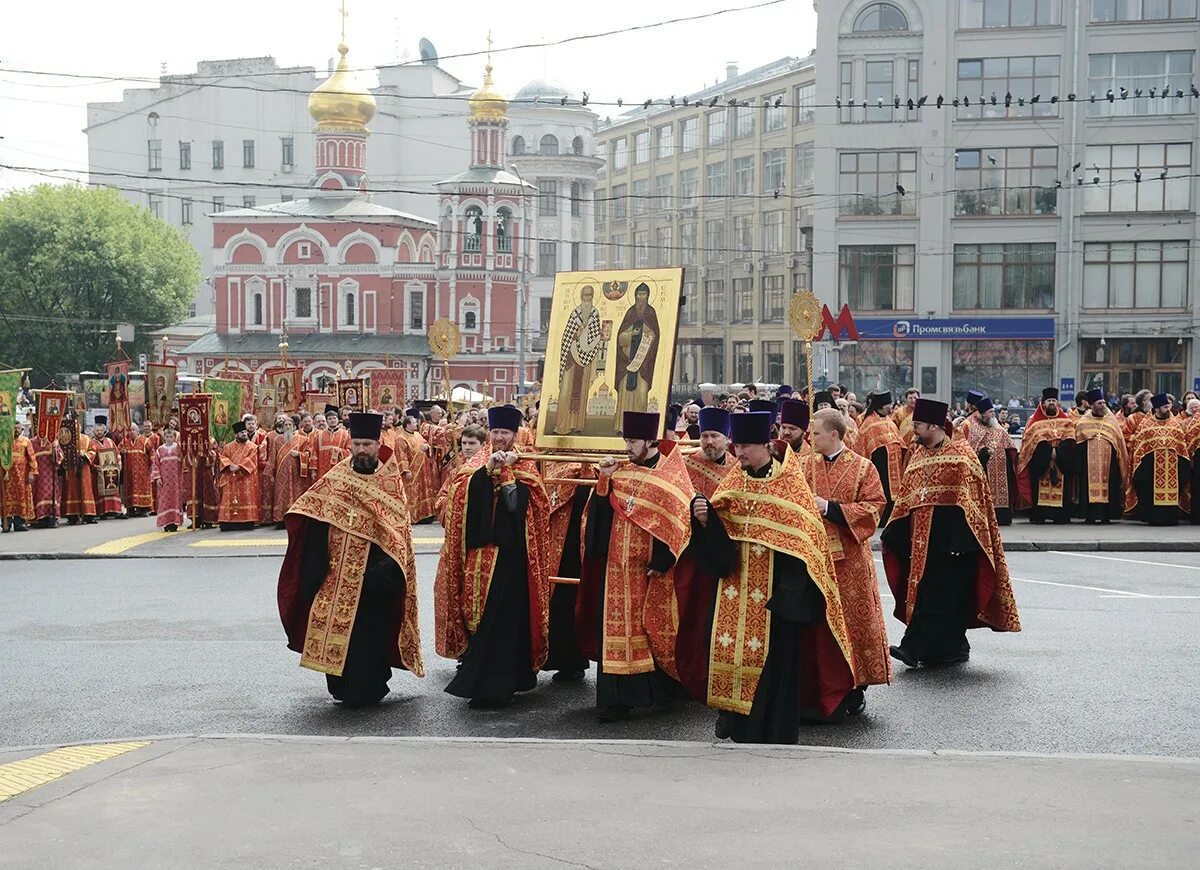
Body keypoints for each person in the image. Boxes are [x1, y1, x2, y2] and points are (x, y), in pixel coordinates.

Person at [681, 411, 856, 742]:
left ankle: (770, 733)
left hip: (777, 602)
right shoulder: (734, 482)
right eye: (736, 446)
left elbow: (806, 544)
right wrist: (706, 523)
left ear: (764, 444)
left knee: (774, 670)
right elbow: (719, 543)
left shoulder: (789, 486)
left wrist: (788, 599)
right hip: (733, 594)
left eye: (745, 446)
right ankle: (733, 720)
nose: (739, 453)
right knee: (726, 654)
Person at [278, 412, 424, 707]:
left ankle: (370, 688)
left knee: (369, 636)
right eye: (356, 444)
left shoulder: (390, 485)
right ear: (350, 445)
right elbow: (314, 517)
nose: (361, 450)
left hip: (372, 580)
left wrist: (381, 574)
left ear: (378, 443)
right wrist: (315, 569)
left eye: (367, 444)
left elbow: (399, 538)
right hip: (335, 575)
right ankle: (341, 687)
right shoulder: (336, 479)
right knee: (336, 632)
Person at [881, 398, 1021, 668]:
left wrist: (962, 542)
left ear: (934, 425)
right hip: (921, 542)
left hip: (954, 545)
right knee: (942, 598)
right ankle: (954, 648)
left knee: (936, 596)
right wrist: (895, 532)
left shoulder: (961, 455)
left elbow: (973, 504)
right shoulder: (918, 455)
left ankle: (911, 648)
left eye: (918, 426)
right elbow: (907, 499)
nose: (914, 431)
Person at [434, 405, 551, 709]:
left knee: (505, 619)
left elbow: (529, 508)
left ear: (515, 434)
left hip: (512, 557)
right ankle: (484, 679)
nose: (500, 438)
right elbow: (460, 500)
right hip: (478, 553)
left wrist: (509, 474)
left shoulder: (526, 464)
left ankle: (499, 684)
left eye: (505, 433)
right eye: (496, 432)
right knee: (478, 615)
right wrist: (487, 473)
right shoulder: (475, 463)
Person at [577, 411, 691, 722]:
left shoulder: (670, 475)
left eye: (632, 441)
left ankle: (661, 692)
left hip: (652, 570)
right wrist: (603, 481)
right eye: (626, 439)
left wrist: (665, 558)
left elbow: (683, 524)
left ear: (651, 440)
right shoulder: (620, 473)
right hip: (615, 567)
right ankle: (615, 701)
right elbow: (597, 517)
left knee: (652, 627)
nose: (627, 446)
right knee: (616, 628)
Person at [800, 408, 891, 714]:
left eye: (815, 433)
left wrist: (830, 508)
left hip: (850, 563)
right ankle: (818, 687)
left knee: (853, 625)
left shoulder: (863, 468)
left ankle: (854, 688)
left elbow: (876, 507)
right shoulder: (803, 466)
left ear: (834, 435)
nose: (810, 438)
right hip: (812, 558)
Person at [541, 457, 594, 683]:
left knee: (571, 600)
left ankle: (572, 661)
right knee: (553, 600)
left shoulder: (591, 467)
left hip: (575, 538)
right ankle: (551, 657)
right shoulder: (548, 461)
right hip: (552, 538)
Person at [1124, 393, 1190, 526]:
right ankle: (1153, 517)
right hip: (1151, 468)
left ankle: (1170, 517)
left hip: (1172, 468)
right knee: (1148, 490)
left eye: (1168, 406)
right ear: (1157, 408)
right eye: (1165, 407)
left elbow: (1181, 446)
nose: (1168, 409)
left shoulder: (1175, 424)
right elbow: (1139, 448)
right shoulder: (1146, 425)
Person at [1017, 388, 1077, 525]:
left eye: (1054, 401)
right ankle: (1040, 516)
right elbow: (1030, 442)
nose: (1051, 403)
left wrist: (1059, 452)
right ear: (1043, 403)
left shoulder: (1065, 420)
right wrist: (1049, 452)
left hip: (1061, 462)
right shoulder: (1034, 421)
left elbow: (1070, 439)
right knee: (1040, 487)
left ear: (1057, 403)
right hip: (1042, 462)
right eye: (1049, 401)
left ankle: (1060, 516)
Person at [553, 284, 603, 435]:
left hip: (586, 362)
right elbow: (566, 337)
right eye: (585, 296)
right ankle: (562, 425)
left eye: (589, 296)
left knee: (581, 392)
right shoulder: (575, 314)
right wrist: (576, 335)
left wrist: (598, 336)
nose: (587, 299)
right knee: (566, 390)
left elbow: (596, 337)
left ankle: (578, 425)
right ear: (581, 297)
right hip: (571, 360)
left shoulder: (594, 314)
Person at [1074, 388, 1129, 525]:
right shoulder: (1083, 423)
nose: (1103, 405)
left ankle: (1107, 515)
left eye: (1104, 402)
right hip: (1089, 464)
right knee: (1088, 488)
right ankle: (1089, 516)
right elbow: (1079, 445)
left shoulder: (1112, 421)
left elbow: (1119, 443)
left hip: (1109, 464)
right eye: (1099, 403)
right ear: (1092, 405)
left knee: (1110, 487)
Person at [613, 283, 661, 430]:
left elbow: (655, 334)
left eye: (644, 294)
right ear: (635, 296)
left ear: (648, 296)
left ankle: (639, 429)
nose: (641, 297)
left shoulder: (651, 313)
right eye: (639, 294)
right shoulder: (630, 312)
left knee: (640, 395)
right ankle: (622, 427)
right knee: (625, 395)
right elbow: (620, 337)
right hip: (626, 362)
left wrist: (648, 335)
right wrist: (630, 335)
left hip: (643, 363)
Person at [966, 397, 1020, 526]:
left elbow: (1010, 446)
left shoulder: (998, 428)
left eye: (993, 412)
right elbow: (970, 447)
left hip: (1001, 466)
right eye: (990, 412)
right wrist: (983, 451)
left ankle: (1002, 517)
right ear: (983, 413)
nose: (993, 414)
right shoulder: (974, 428)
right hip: (983, 466)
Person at [857, 391, 906, 524]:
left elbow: (898, 439)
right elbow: (862, 445)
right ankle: (882, 517)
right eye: (888, 404)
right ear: (881, 406)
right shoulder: (869, 422)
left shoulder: (888, 420)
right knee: (883, 490)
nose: (891, 407)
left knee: (893, 493)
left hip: (894, 463)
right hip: (880, 465)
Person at [266, 415, 310, 529]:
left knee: (296, 494)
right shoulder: (277, 439)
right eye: (286, 425)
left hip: (296, 473)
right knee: (281, 495)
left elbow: (309, 454)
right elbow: (272, 457)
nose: (288, 427)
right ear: (283, 427)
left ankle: (296, 518)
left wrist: (300, 455)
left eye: (290, 425)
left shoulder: (303, 439)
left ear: (294, 427)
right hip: (281, 473)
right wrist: (270, 472)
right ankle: (281, 519)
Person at [217, 421, 261, 531]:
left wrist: (239, 467)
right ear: (236, 434)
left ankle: (246, 522)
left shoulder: (253, 447)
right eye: (242, 432)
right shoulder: (228, 447)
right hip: (231, 477)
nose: (244, 434)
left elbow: (252, 460)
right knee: (228, 498)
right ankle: (227, 523)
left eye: (245, 432)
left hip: (245, 477)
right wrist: (229, 465)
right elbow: (222, 457)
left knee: (246, 497)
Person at [683, 407, 734, 499]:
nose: (709, 441)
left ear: (726, 439)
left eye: (715, 436)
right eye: (705, 436)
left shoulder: (736, 469)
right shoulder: (687, 465)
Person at [395, 410, 436, 523]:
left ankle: (427, 514)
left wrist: (427, 447)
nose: (417, 424)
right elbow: (401, 456)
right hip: (412, 472)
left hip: (423, 471)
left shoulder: (418, 435)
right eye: (414, 423)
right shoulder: (401, 439)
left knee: (424, 492)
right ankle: (414, 517)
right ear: (408, 424)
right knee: (413, 494)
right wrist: (406, 470)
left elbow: (425, 444)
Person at [2, 424, 37, 532]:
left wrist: (32, 472)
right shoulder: (4, 441)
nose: (16, 430)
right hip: (6, 476)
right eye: (14, 428)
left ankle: (19, 523)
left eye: (18, 428)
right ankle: (6, 523)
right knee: (6, 498)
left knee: (21, 497)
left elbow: (32, 458)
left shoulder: (26, 441)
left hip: (21, 476)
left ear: (21, 429)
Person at [29, 418, 61, 529]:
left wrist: (54, 450)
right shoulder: (32, 442)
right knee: (38, 495)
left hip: (50, 474)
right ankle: (40, 519)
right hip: (37, 475)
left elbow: (60, 458)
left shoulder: (53, 441)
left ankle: (53, 518)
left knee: (51, 494)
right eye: (39, 428)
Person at [89, 418, 124, 519]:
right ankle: (103, 511)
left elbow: (117, 453)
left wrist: (119, 464)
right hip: (99, 473)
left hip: (112, 470)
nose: (99, 432)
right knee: (100, 492)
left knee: (113, 490)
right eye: (97, 430)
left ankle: (116, 510)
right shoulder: (92, 443)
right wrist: (95, 467)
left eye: (101, 430)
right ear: (94, 431)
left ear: (104, 431)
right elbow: (90, 458)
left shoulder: (109, 441)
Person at [150, 427, 184, 532]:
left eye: (171, 436)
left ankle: (174, 522)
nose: (169, 439)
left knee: (175, 500)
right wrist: (158, 477)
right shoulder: (160, 449)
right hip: (164, 481)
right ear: (164, 437)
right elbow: (156, 465)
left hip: (176, 480)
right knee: (164, 501)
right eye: (167, 437)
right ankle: (166, 523)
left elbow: (183, 463)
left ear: (174, 437)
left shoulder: (178, 448)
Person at [121, 421, 155, 518]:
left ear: (137, 430)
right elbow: (116, 452)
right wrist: (121, 452)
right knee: (129, 488)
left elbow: (152, 454)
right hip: (129, 472)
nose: (131, 432)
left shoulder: (145, 441)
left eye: (133, 430)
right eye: (129, 430)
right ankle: (130, 509)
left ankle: (143, 509)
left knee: (142, 489)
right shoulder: (125, 442)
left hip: (142, 472)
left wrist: (153, 467)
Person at [314, 406, 350, 480]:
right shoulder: (319, 435)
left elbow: (350, 452)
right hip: (322, 470)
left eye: (334, 418)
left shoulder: (345, 435)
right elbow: (314, 452)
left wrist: (339, 451)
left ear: (338, 420)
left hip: (339, 470)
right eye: (330, 419)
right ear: (327, 421)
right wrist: (313, 470)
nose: (332, 420)